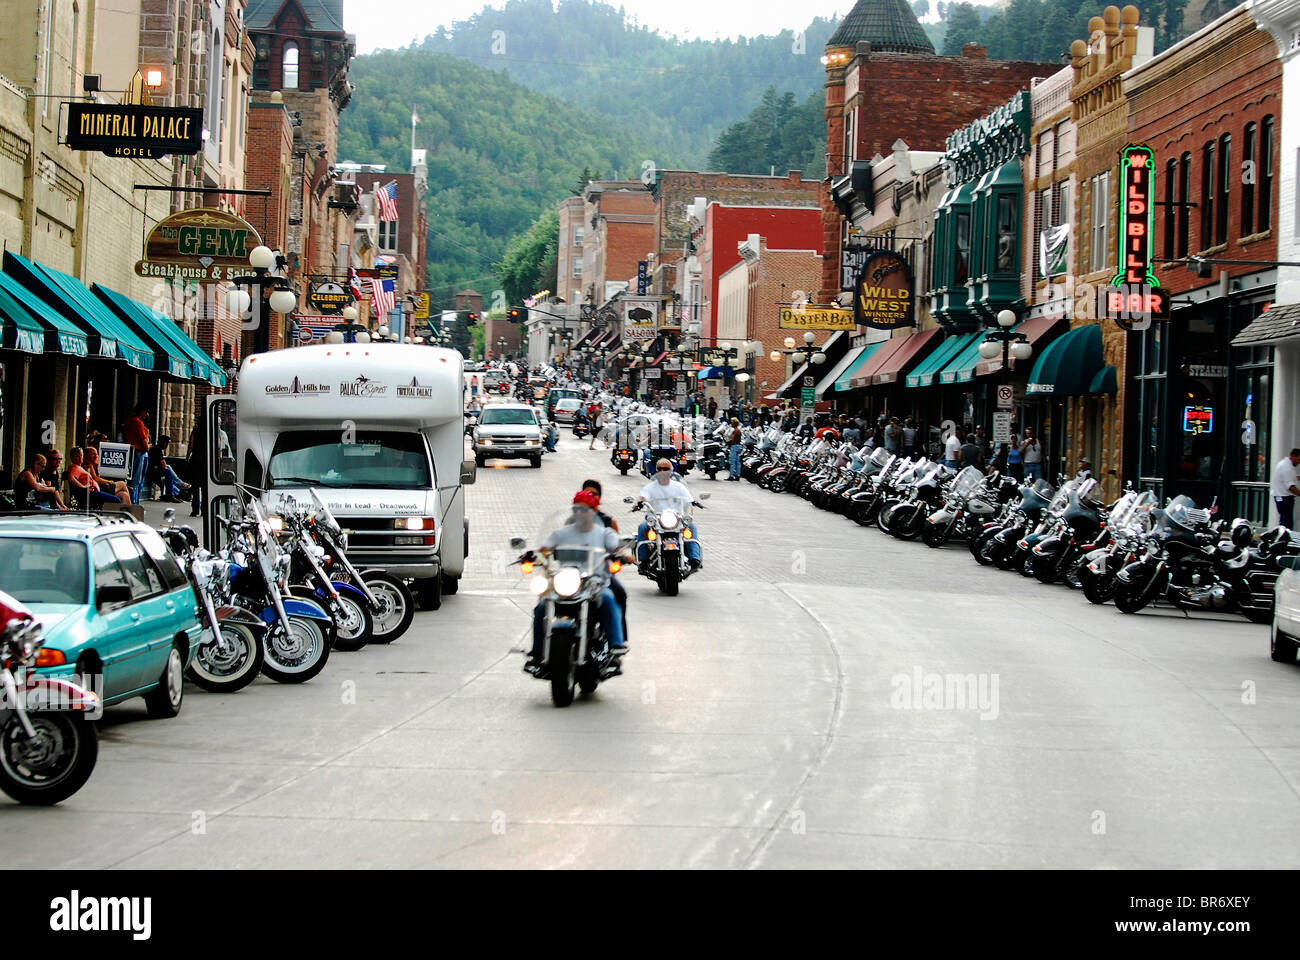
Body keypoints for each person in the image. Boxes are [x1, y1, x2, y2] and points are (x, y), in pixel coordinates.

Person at [527, 490, 626, 671]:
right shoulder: (562, 533)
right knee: (542, 605)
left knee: (609, 599)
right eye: (577, 509)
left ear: (593, 511)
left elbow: (616, 547)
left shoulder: (604, 533)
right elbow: (544, 551)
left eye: (584, 509)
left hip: (594, 583)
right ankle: (536, 653)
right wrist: (533, 558)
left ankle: (615, 648)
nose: (580, 513)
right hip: (565, 582)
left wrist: (622, 555)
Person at [637, 458, 703, 569]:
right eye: (660, 469)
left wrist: (694, 502)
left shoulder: (679, 487)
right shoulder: (650, 487)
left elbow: (688, 499)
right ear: (656, 471)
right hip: (657, 520)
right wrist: (639, 503)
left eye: (666, 469)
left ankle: (694, 558)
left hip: (676, 519)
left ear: (671, 470)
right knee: (643, 527)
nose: (663, 471)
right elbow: (643, 497)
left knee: (691, 527)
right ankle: (643, 560)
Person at [148, 435, 191, 502]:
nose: (167, 445)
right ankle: (179, 486)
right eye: (167, 443)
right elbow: (163, 464)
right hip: (153, 471)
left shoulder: (157, 449)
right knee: (168, 470)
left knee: (168, 471)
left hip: (157, 470)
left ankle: (177, 491)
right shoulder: (156, 450)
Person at [123, 405, 151, 504]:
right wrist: (147, 447)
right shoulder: (138, 422)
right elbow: (143, 441)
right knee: (135, 481)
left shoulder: (129, 421)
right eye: (146, 412)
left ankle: (131, 502)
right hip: (138, 452)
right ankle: (133, 503)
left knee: (130, 479)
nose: (146, 415)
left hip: (129, 450)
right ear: (142, 412)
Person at [1271, 448, 1300, 529]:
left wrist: (1297, 477)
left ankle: (1283, 538)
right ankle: (1284, 540)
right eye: (1298, 459)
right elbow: (1291, 487)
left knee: (1285, 521)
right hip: (1284, 499)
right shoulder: (1287, 467)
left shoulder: (1284, 463)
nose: (1298, 462)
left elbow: (1287, 478)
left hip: (1281, 498)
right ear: (1292, 456)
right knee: (1287, 524)